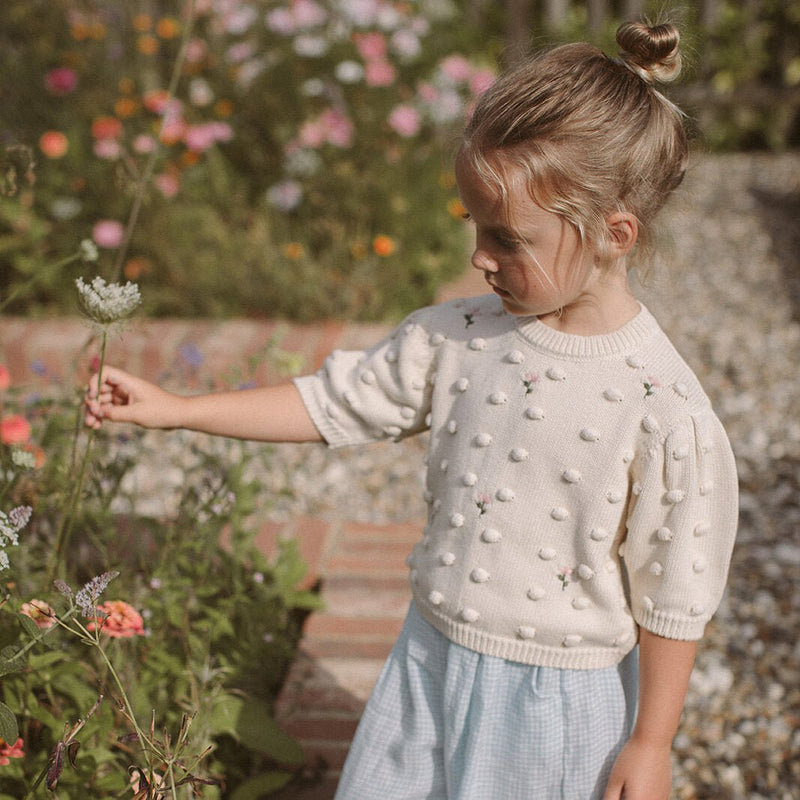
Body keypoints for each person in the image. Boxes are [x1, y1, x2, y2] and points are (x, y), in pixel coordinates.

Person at [85, 20, 739, 800]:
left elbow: (675, 587)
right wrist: (181, 407)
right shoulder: (455, 338)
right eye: (474, 227)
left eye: (506, 238)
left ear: (612, 234)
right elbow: (332, 401)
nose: (478, 258)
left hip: (556, 706)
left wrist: (651, 741)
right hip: (426, 663)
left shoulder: (662, 407)